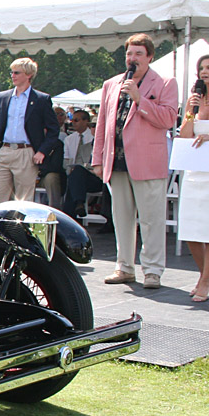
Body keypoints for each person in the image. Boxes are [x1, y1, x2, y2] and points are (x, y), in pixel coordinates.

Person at [93, 33, 177, 289]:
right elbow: (102, 124)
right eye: (130, 53)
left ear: (150, 57)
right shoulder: (112, 84)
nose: (133, 58)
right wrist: (97, 158)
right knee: (122, 218)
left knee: (151, 219)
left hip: (148, 162)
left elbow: (169, 119)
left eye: (139, 54)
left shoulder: (164, 83)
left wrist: (140, 99)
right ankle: (124, 268)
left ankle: (152, 271)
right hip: (116, 161)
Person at [0, 57, 59, 204]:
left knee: (23, 201)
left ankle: (19, 227)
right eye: (11, 72)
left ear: (28, 75)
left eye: (17, 72)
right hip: (4, 151)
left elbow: (53, 130)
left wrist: (42, 151)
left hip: (26, 153)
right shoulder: (4, 97)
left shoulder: (41, 99)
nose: (13, 75)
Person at [176, 53, 209, 301]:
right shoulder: (195, 101)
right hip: (194, 171)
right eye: (202, 68)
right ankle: (203, 275)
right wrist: (189, 111)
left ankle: (205, 281)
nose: (205, 71)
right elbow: (185, 135)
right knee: (191, 231)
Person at [60, 110, 102, 219]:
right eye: (72, 120)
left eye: (76, 120)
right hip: (76, 174)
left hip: (96, 176)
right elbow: (66, 160)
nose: (73, 122)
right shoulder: (69, 139)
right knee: (75, 175)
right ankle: (78, 205)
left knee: (76, 175)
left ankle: (69, 216)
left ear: (85, 121)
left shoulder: (95, 139)